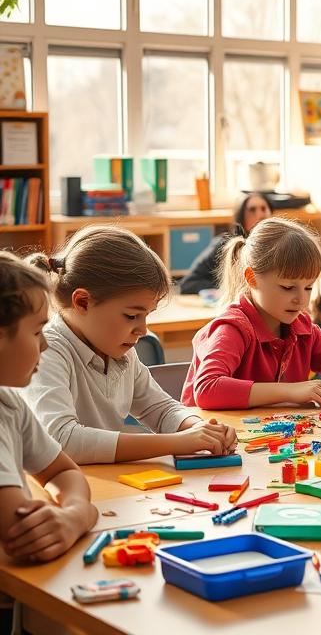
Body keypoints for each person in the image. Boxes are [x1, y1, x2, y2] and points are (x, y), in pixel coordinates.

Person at [22, 227, 237, 464]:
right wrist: (181, 441)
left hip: (101, 487)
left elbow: (162, 409)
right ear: (83, 302)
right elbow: (62, 441)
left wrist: (201, 429)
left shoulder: (119, 351)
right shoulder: (47, 350)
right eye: (131, 316)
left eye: (147, 316)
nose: (143, 330)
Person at [182, 217, 321, 409]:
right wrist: (291, 391)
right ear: (252, 278)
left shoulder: (302, 328)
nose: (301, 300)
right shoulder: (232, 329)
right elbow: (207, 389)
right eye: (288, 287)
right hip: (219, 436)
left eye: (308, 287)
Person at [0, 251, 98, 566]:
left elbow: (63, 471)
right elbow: (21, 531)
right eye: (37, 331)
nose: (44, 345)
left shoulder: (9, 402)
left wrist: (75, 515)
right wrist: (84, 515)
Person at [179, 192, 272, 295]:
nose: (260, 215)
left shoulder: (276, 244)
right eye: (252, 210)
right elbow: (187, 285)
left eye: (263, 209)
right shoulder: (224, 245)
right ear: (241, 216)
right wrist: (229, 287)